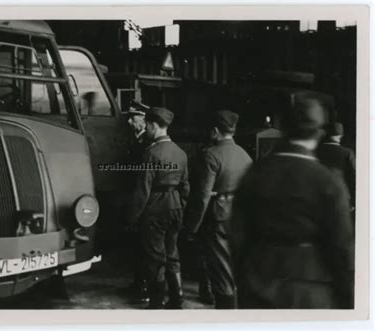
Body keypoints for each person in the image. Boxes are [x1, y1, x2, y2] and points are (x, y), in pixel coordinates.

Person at [231, 97, 355, 309]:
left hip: (258, 283)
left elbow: (237, 237)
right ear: (319, 134)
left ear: (284, 130)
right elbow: (341, 249)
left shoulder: (255, 173)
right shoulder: (328, 181)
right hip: (311, 290)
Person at [184, 110, 253, 309]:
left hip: (219, 219)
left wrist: (192, 227)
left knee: (221, 276)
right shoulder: (244, 154)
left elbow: (202, 197)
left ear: (215, 131)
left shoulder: (211, 155)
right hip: (240, 217)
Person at [126, 107, 190, 309]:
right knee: (172, 252)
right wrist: (181, 207)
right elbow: (186, 187)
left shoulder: (151, 153)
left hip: (155, 208)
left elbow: (142, 191)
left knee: (154, 256)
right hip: (176, 206)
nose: (146, 128)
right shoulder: (181, 153)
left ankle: (156, 302)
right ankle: (177, 298)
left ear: (154, 125)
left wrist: (131, 218)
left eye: (148, 125)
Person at [124, 100, 150, 304]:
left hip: (144, 200)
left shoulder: (147, 144)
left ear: (144, 120)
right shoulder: (135, 140)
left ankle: (143, 287)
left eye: (134, 118)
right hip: (134, 196)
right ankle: (138, 283)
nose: (130, 122)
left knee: (144, 245)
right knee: (136, 244)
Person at [317, 122, 356, 208]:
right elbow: (353, 178)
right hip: (342, 198)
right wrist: (353, 201)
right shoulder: (347, 153)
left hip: (318, 198)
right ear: (341, 136)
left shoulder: (316, 151)